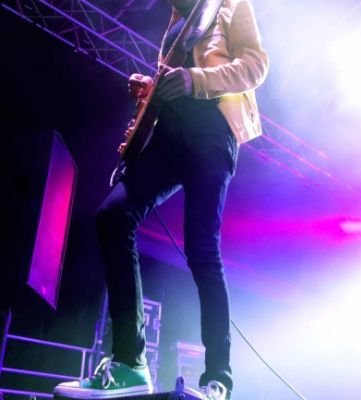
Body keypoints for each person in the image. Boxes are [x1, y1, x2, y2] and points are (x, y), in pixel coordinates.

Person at [54, 0, 268, 399]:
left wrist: (194, 80)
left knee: (203, 251)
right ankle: (130, 363)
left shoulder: (230, 4)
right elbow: (174, 79)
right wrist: (153, 89)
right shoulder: (177, 17)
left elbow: (256, 66)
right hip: (168, 135)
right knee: (112, 216)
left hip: (211, 131)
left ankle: (218, 380)